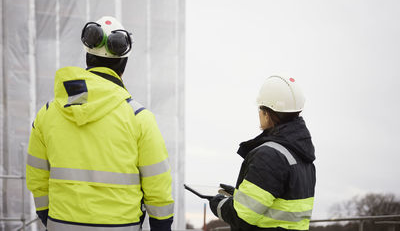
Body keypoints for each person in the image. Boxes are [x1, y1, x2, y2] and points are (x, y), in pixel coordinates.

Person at [26, 16, 174, 231]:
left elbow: (37, 175)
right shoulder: (139, 117)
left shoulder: (47, 114)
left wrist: (48, 216)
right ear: (123, 62)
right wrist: (161, 225)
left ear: (88, 57)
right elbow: (157, 183)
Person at [209, 75, 316, 230]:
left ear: (267, 112)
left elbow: (241, 217)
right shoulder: (302, 157)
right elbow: (280, 201)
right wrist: (240, 196)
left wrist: (218, 203)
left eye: (260, 108)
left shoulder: (270, 156)